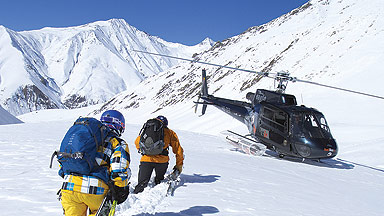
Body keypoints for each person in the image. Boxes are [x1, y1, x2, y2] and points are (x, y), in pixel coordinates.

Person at [59, 110, 131, 216]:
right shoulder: (117, 142)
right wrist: (120, 188)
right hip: (96, 190)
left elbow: (65, 159)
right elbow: (118, 168)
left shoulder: (86, 137)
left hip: (69, 187)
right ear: (119, 125)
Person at [133, 115, 184, 194]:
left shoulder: (148, 129)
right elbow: (178, 150)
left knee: (141, 184)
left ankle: (135, 195)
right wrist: (179, 164)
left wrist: (145, 151)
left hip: (146, 160)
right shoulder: (170, 132)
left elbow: (137, 142)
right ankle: (157, 184)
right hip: (162, 161)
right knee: (159, 180)